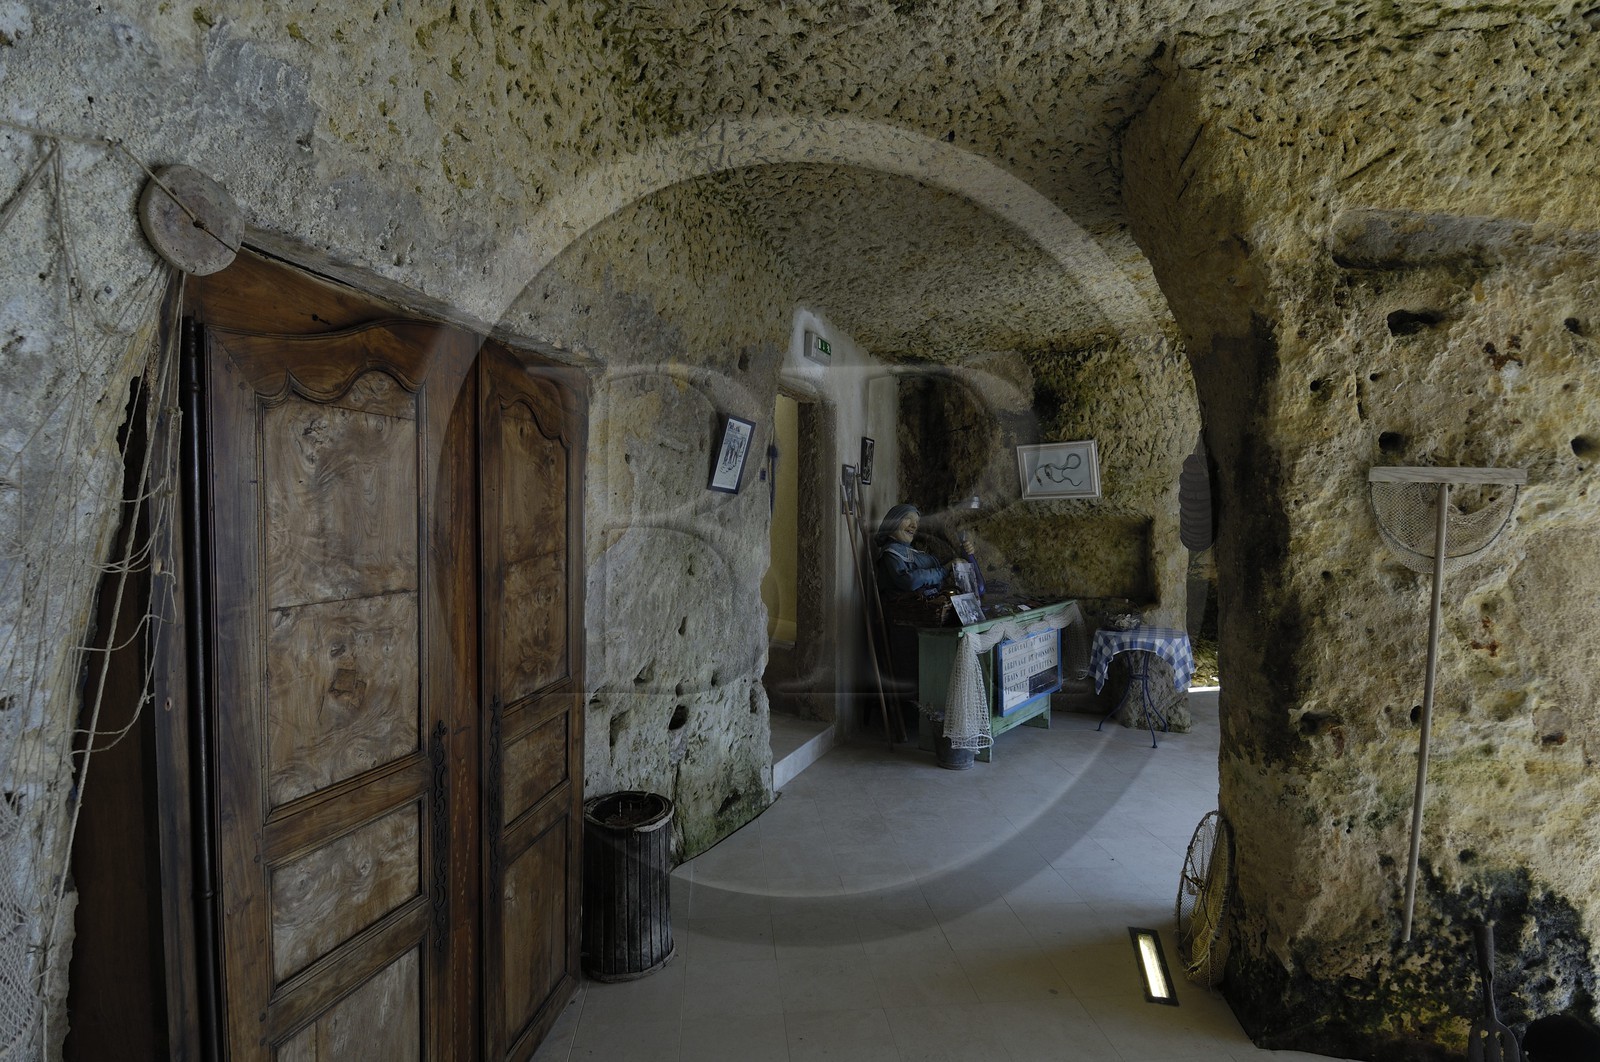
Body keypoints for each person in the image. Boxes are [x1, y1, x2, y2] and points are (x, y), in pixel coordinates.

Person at [875, 503, 980, 596]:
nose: (914, 525)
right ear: (893, 521)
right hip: (911, 610)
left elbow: (936, 566)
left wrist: (965, 553)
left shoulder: (911, 551)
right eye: (908, 518)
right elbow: (910, 581)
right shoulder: (891, 552)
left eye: (917, 522)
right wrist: (944, 570)